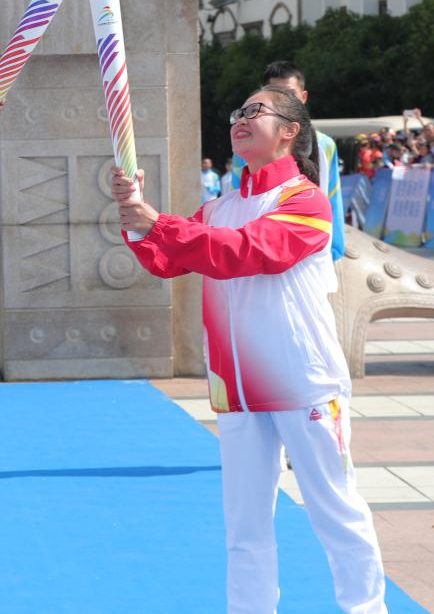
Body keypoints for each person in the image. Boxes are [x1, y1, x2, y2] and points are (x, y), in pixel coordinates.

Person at [113, 85, 385, 613]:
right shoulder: (217, 207)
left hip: (302, 382)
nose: (240, 119)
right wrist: (134, 216)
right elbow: (163, 260)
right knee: (245, 526)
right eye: (237, 111)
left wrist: (158, 222)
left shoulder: (304, 200)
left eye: (255, 111)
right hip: (233, 388)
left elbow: (249, 252)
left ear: (290, 132)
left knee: (336, 513)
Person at [230, 62, 347, 261]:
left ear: (304, 97)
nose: (283, 99)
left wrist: (333, 251)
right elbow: (238, 195)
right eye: (275, 93)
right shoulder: (247, 145)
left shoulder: (325, 144)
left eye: (290, 94)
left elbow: (332, 196)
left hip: (309, 248)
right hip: (255, 248)